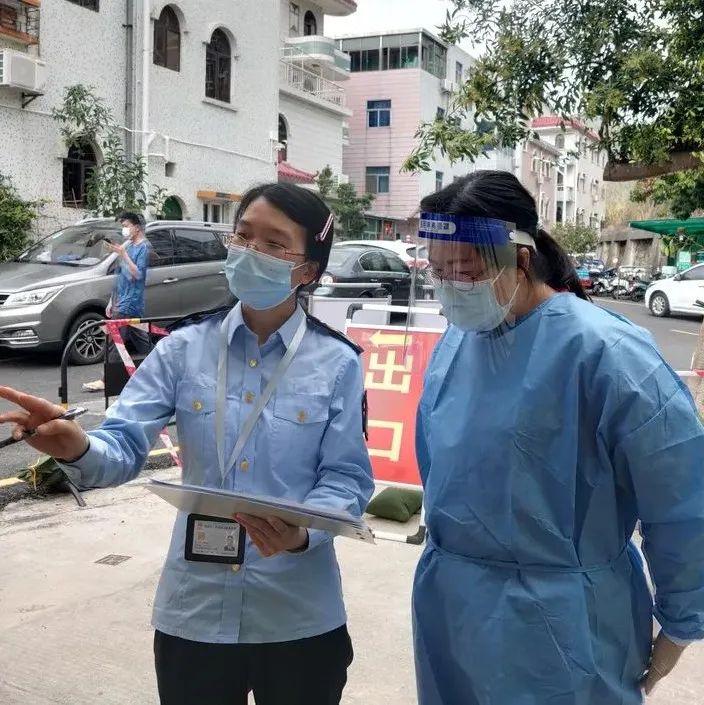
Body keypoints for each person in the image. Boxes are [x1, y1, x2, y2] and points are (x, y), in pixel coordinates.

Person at [0, 183, 374, 705]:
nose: (251, 251)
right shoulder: (182, 349)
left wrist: (301, 533)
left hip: (298, 613)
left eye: (274, 244)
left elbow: (347, 477)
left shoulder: (337, 363)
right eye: (243, 236)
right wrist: (76, 446)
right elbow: (123, 445)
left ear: (308, 269)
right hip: (195, 611)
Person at [412, 170, 704, 705]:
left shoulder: (608, 353)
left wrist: (681, 624)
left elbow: (681, 498)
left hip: (565, 630)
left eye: (467, 271)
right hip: (453, 612)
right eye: (438, 271)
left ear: (521, 259)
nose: (451, 286)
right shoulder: (457, 344)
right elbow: (440, 471)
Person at [83, 211, 151, 393]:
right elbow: (120, 276)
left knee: (114, 340)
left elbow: (138, 274)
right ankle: (159, 369)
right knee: (141, 342)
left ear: (137, 227)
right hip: (121, 301)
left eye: (126, 226)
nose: (124, 229)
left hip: (130, 302)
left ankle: (106, 380)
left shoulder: (143, 248)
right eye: (123, 226)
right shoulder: (129, 246)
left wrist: (123, 254)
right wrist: (111, 301)